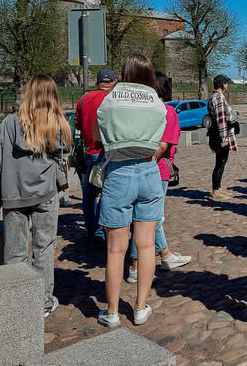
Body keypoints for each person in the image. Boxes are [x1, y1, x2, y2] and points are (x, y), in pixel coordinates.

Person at [0, 75, 70, 318]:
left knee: (14, 250)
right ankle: (42, 302)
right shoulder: (57, 124)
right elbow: (63, 157)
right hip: (45, 192)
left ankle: (16, 301)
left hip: (13, 193)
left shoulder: (8, 123)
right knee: (44, 249)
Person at [95, 54, 168, 328]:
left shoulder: (111, 99)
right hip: (149, 171)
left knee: (115, 249)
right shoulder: (155, 100)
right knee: (147, 245)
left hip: (119, 171)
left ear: (123, 73)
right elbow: (161, 134)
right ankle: (140, 307)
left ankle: (112, 312)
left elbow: (95, 132)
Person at [126, 71, 191, 283]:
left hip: (147, 166)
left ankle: (164, 254)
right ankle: (141, 264)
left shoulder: (144, 110)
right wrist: (147, 162)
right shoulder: (166, 111)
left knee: (146, 217)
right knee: (148, 218)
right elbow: (163, 146)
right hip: (156, 169)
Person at [75, 68, 117, 246]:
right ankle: (100, 231)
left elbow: (77, 124)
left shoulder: (83, 99)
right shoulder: (111, 99)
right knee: (106, 191)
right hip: (105, 152)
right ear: (113, 83)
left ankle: (90, 228)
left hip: (89, 151)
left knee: (89, 192)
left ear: (97, 81)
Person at [207, 74, 239, 200]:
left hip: (220, 135)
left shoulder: (217, 97)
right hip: (221, 136)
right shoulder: (218, 98)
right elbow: (222, 119)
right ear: (222, 84)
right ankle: (215, 191)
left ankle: (218, 188)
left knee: (222, 162)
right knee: (220, 163)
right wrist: (224, 138)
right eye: (226, 83)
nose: (228, 85)